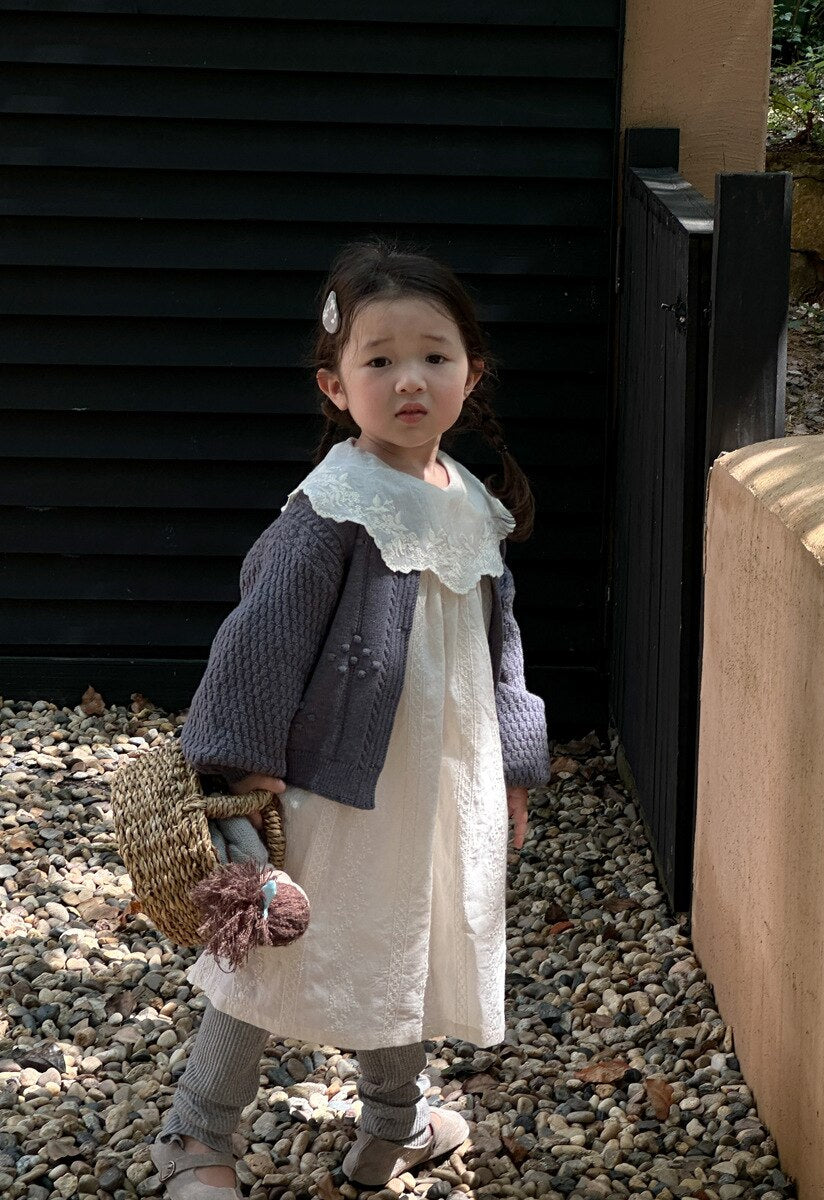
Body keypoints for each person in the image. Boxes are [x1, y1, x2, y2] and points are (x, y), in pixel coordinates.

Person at [149, 239, 551, 1198]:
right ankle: (194, 1140)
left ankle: (396, 1124)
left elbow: (501, 649)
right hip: (336, 780)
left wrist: (514, 770)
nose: (408, 378)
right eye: (378, 360)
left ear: (471, 372)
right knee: (273, 956)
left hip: (441, 782)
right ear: (335, 385)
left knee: (407, 937)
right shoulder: (335, 505)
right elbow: (262, 634)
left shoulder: (473, 504)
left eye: (433, 356)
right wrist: (242, 768)